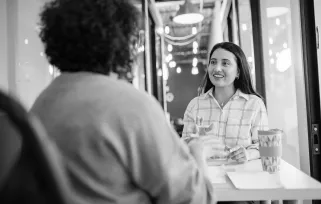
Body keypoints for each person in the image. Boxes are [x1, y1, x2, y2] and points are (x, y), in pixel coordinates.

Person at [30, 0, 214, 204]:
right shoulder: (130, 105)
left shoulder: (42, 104)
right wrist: (197, 153)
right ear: (121, 42)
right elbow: (194, 199)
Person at [182, 42, 269, 164]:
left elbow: (265, 146)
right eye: (213, 62)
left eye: (225, 63)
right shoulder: (195, 105)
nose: (217, 68)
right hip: (206, 177)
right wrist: (194, 142)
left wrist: (248, 154)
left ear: (238, 72)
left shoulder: (254, 105)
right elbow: (183, 147)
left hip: (242, 179)